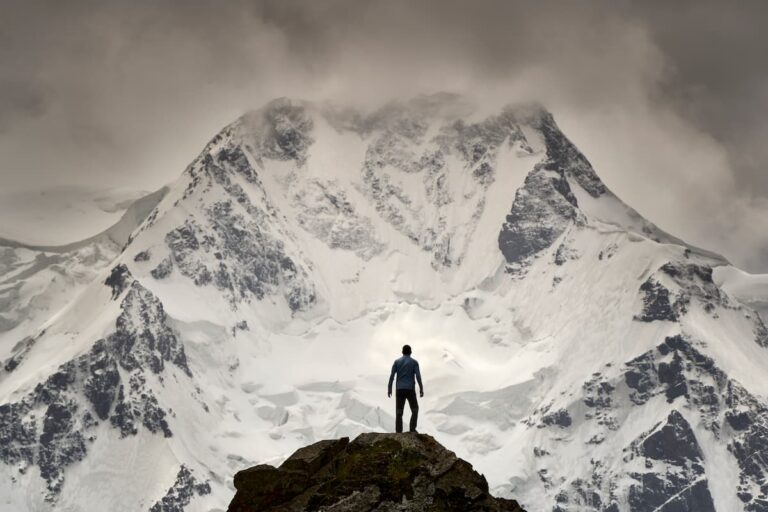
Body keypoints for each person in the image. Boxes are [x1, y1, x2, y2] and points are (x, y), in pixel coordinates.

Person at [387, 344, 424, 433]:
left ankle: (399, 432)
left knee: (399, 412)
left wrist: (389, 388)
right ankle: (412, 429)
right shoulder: (414, 362)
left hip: (399, 390)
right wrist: (421, 388)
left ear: (402, 352)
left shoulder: (397, 362)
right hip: (410, 390)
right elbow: (418, 376)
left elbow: (392, 376)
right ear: (410, 352)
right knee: (415, 409)